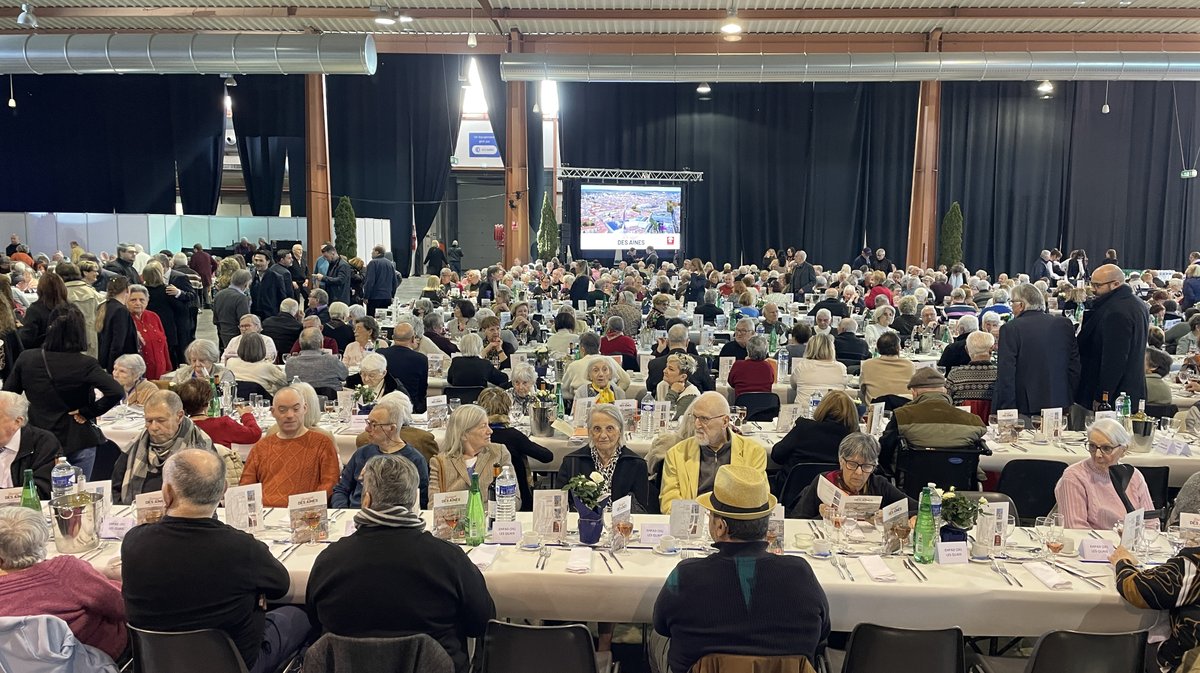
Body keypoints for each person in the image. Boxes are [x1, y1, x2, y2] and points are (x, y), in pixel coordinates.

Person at [122, 449, 308, 673]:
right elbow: (281, 586)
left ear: (166, 492)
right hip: (235, 664)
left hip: (156, 664)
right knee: (300, 615)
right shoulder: (242, 548)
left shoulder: (133, 542)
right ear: (223, 491)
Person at [309, 453, 493, 673]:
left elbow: (315, 621)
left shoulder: (329, 560)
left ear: (366, 500)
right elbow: (481, 622)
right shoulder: (448, 558)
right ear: (414, 501)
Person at [651, 464, 829, 673]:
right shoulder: (800, 573)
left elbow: (661, 624)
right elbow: (823, 630)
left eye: (710, 516)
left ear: (720, 527)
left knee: (655, 637)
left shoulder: (685, 575)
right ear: (766, 524)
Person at [4, 305, 121, 479]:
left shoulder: (27, 358)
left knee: (40, 490)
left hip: (39, 437)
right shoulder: (85, 363)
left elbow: (8, 394)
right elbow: (116, 391)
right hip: (77, 437)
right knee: (79, 493)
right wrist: (88, 412)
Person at [0, 506, 127, 661]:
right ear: (42, 542)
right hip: (91, 661)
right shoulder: (65, 571)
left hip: (20, 666)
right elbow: (123, 604)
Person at [659, 392, 768, 514]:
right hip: (692, 520)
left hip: (735, 520)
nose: (697, 425)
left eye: (704, 419)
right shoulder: (677, 454)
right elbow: (669, 504)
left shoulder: (753, 452)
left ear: (725, 422)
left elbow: (759, 499)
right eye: (694, 417)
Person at [239, 386, 340, 507]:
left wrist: (308, 509)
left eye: (296, 409)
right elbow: (246, 487)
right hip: (265, 511)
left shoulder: (322, 443)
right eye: (282, 410)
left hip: (306, 511)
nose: (290, 415)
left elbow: (330, 484)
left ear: (305, 408)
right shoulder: (261, 447)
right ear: (273, 412)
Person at [112, 390, 215, 504]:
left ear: (179, 416)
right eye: (149, 421)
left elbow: (211, 493)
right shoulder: (135, 446)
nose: (154, 427)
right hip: (136, 511)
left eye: (161, 420)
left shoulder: (200, 446)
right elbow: (115, 489)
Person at [993, 283, 1080, 418]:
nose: (1012, 307)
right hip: (1060, 400)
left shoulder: (1011, 328)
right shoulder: (1064, 324)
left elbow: (1006, 373)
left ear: (1021, 305)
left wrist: (1007, 410)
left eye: (1012, 303)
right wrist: (1069, 395)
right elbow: (1074, 365)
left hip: (1025, 405)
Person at [878, 368, 986, 475]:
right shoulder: (974, 421)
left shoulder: (902, 416)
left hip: (911, 482)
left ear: (914, 393)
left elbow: (884, 451)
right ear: (944, 391)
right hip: (961, 483)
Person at [1055, 418, 1157, 530]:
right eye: (1092, 446)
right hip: (1090, 541)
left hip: (1131, 540)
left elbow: (1151, 523)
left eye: (1106, 448)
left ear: (1123, 450)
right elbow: (1076, 528)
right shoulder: (1074, 476)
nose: (1097, 454)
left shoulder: (1134, 476)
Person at [1076, 264, 1149, 414]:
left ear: (1115, 284)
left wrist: (1103, 395)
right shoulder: (1137, 304)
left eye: (1097, 285)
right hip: (1130, 387)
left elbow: (1114, 359)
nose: (1093, 289)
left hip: (1115, 395)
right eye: (1091, 284)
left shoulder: (1116, 311)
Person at [789, 433, 917, 520]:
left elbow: (918, 509)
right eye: (852, 464)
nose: (859, 472)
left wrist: (888, 515)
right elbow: (797, 520)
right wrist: (822, 517)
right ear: (841, 462)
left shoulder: (879, 485)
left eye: (866, 466)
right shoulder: (825, 482)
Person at [332, 399, 429, 509]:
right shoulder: (362, 453)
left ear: (392, 428)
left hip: (394, 516)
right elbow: (341, 489)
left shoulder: (414, 459)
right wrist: (343, 510)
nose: (367, 429)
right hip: (355, 513)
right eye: (368, 423)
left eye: (374, 425)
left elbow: (422, 500)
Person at [559, 403, 650, 513]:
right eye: (597, 429)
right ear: (589, 432)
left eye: (609, 429)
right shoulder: (572, 462)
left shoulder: (636, 464)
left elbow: (640, 509)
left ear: (620, 431)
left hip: (622, 522)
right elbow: (561, 504)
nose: (603, 435)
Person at [477, 388, 552, 511]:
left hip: (482, 499)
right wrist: (526, 443)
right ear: (507, 408)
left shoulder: (475, 436)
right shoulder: (513, 436)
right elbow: (547, 456)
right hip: (518, 499)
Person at [427, 404, 514, 499]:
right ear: (463, 434)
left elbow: (514, 499)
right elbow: (433, 504)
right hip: (456, 509)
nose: (490, 431)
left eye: (488, 425)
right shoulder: (440, 462)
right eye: (483, 426)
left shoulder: (499, 452)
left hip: (493, 509)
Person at [770, 390, 859, 469]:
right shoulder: (853, 439)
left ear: (822, 408)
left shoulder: (804, 428)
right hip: (833, 482)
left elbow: (777, 455)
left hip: (795, 482)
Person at [176, 378, 261, 449]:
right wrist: (246, 415)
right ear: (208, 402)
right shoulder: (223, 424)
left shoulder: (178, 427)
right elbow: (255, 434)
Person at [141, 263, 189, 368]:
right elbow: (181, 308)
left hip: (147, 326)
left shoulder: (142, 292)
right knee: (170, 355)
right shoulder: (167, 290)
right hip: (167, 327)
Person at [378, 321, 431, 411]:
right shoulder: (421, 359)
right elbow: (422, 391)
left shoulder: (380, 354)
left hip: (383, 405)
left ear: (393, 338)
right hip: (410, 407)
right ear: (413, 339)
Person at [126, 284, 171, 380]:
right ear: (126, 301)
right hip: (139, 375)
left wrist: (168, 368)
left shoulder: (153, 316)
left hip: (160, 372)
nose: (138, 303)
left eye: (142, 300)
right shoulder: (125, 319)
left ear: (147, 301)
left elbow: (164, 344)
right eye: (133, 300)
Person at [284, 328, 348, 392]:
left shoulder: (290, 363)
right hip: (330, 397)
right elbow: (345, 376)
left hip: (301, 397)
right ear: (321, 344)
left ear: (300, 344)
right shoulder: (331, 360)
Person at [858, 332, 914, 403]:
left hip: (877, 407)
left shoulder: (867, 365)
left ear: (878, 348)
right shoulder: (909, 365)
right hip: (903, 407)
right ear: (898, 348)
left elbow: (862, 389)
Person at [947, 331, 999, 407]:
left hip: (962, 414)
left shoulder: (955, 375)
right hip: (992, 414)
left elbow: (946, 402)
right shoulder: (1000, 374)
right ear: (992, 349)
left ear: (967, 350)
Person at [97, 276, 138, 372]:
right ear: (127, 290)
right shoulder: (120, 310)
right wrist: (113, 367)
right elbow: (118, 342)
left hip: (105, 360)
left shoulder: (105, 306)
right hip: (119, 364)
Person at [18, 268, 66, 349]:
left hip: (41, 351)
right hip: (68, 352)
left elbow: (26, 340)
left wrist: (21, 329)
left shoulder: (34, 310)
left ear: (40, 289)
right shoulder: (71, 308)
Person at [791, 333, 848, 401]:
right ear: (832, 349)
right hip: (833, 406)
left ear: (809, 348)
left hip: (805, 406)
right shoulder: (841, 368)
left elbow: (793, 386)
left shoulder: (802, 366)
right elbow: (844, 386)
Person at [212, 269, 252, 350]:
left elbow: (215, 318)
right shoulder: (241, 298)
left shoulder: (219, 294)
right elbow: (244, 319)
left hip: (222, 333)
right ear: (246, 284)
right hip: (236, 335)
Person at [656, 353, 702, 420]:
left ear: (683, 377)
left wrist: (673, 392)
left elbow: (669, 416)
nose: (664, 371)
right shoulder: (662, 385)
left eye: (671, 369)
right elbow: (657, 412)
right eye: (666, 367)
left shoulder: (691, 394)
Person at [364, 245, 400, 316]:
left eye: (373, 251)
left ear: (377, 252)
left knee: (372, 319)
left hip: (374, 297)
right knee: (385, 318)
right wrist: (392, 295)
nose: (371, 253)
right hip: (387, 297)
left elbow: (370, 281)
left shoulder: (373, 263)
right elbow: (394, 281)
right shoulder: (390, 264)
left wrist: (366, 296)